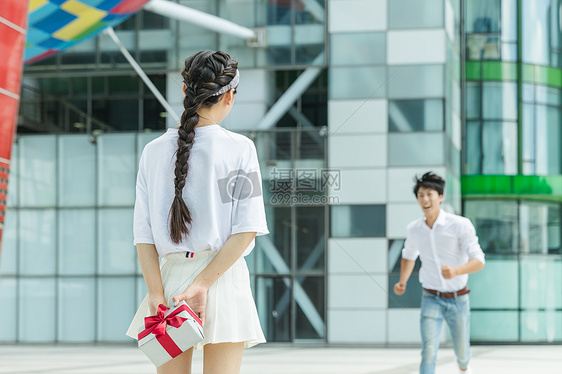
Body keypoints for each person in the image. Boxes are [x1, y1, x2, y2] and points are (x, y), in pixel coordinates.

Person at [126, 51, 269, 374]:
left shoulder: (153, 151)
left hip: (169, 279)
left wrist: (155, 293)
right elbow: (247, 227)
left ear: (184, 92)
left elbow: (143, 234)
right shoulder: (239, 148)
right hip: (222, 277)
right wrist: (203, 284)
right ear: (229, 95)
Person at [393, 172, 485, 374]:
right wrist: (402, 282)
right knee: (428, 350)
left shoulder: (460, 225)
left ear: (440, 197)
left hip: (458, 298)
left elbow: (479, 261)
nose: (425, 199)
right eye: (420, 195)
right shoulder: (414, 229)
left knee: (462, 352)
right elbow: (409, 255)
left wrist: (456, 271)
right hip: (431, 297)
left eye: (429, 194)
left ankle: (464, 367)